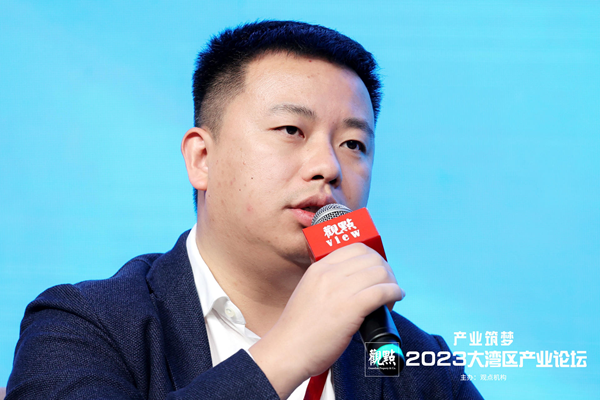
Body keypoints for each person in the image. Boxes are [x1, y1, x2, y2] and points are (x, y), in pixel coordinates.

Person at [6, 20, 483, 399]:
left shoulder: (416, 364)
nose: (329, 167)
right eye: (291, 131)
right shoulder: (84, 325)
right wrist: (289, 349)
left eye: (354, 144)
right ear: (202, 158)